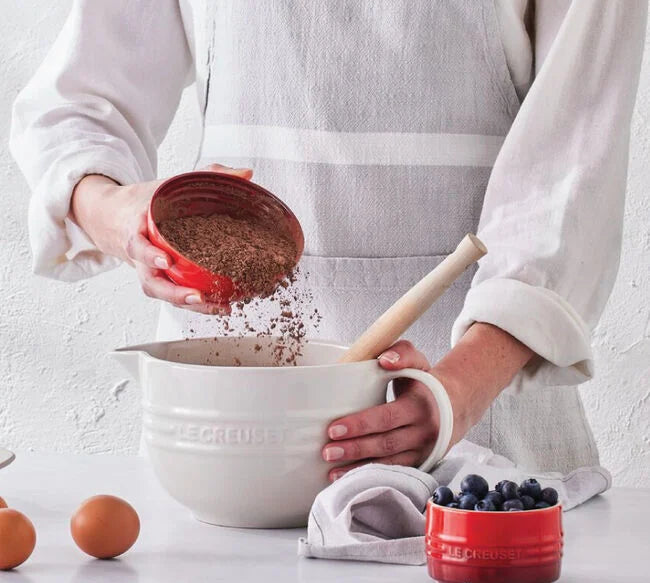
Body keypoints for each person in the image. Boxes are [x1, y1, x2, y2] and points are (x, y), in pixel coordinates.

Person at [11, 1, 647, 481]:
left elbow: (571, 167)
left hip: (485, 448)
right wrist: (121, 213)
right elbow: (77, 106)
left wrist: (455, 394)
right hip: (226, 451)